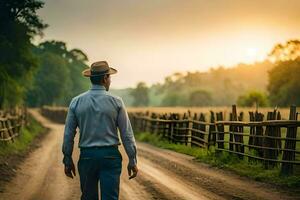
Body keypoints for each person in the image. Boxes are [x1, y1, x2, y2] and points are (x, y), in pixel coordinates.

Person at [62, 61, 138, 200]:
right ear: (104, 79)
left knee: (88, 197)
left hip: (87, 157)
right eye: (109, 77)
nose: (110, 81)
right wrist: (132, 159)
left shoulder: (76, 102)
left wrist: (67, 158)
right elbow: (126, 134)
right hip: (110, 156)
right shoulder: (117, 102)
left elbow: (68, 134)